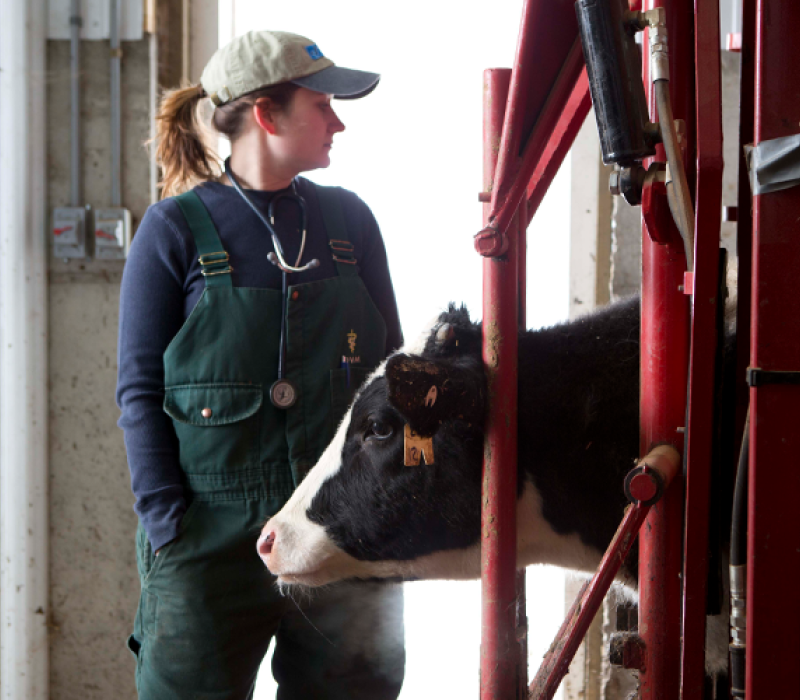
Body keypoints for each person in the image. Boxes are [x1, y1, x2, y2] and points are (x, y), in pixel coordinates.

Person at [116, 30, 405, 699]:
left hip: (341, 529)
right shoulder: (175, 231)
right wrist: (169, 524)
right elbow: (138, 392)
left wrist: (390, 508)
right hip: (208, 544)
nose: (339, 120)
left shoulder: (349, 223)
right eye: (323, 105)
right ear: (268, 116)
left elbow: (390, 378)